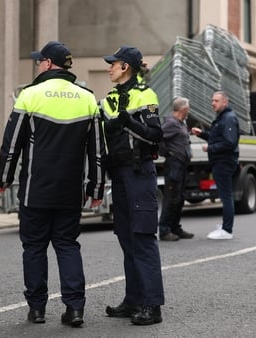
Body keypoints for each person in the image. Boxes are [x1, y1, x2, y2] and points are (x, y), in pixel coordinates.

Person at [0, 41, 105, 327]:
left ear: (47, 63)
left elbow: (11, 145)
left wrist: (3, 179)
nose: (37, 65)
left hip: (35, 190)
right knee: (68, 246)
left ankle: (37, 309)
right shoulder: (87, 98)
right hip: (70, 190)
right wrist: (95, 188)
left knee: (34, 248)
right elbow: (96, 150)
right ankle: (75, 309)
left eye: (38, 61)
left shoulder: (30, 95)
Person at [100, 45, 164, 326]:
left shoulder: (145, 95)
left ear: (125, 67)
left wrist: (127, 123)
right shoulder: (109, 99)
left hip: (139, 172)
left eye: (113, 64)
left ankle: (152, 305)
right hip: (119, 174)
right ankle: (133, 299)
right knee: (126, 238)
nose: (109, 68)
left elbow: (155, 135)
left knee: (142, 237)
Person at [191, 91, 239, 240]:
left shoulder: (229, 118)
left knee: (226, 196)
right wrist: (202, 135)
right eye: (212, 100)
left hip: (224, 161)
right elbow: (216, 137)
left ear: (225, 102)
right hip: (220, 161)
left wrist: (210, 148)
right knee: (225, 195)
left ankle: (227, 230)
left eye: (216, 101)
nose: (213, 103)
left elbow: (230, 142)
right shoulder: (222, 117)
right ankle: (226, 226)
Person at [158, 97, 195, 241]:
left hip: (181, 165)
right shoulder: (171, 123)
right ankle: (165, 230)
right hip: (174, 165)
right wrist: (168, 153)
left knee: (179, 199)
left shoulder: (180, 123)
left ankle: (175, 228)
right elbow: (159, 138)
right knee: (172, 198)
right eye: (188, 109)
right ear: (183, 110)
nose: (189, 111)